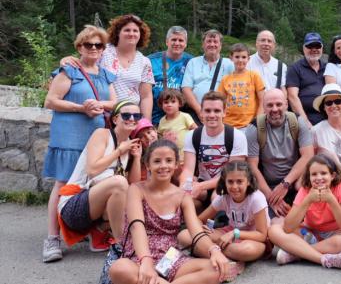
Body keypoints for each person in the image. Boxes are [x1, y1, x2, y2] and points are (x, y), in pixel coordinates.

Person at [42, 25, 117, 263]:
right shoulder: (68, 71)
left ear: (103, 49)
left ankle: (91, 233)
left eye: (98, 45)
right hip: (70, 135)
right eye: (89, 45)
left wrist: (98, 105)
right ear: (79, 47)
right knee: (63, 183)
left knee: (91, 185)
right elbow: (50, 101)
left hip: (94, 137)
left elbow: (113, 102)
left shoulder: (105, 74)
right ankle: (52, 239)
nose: (94, 49)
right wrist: (80, 108)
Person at [109, 139, 229, 284]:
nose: (163, 166)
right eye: (157, 161)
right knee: (119, 269)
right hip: (139, 256)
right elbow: (136, 226)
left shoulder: (183, 197)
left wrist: (214, 250)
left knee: (217, 269)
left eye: (169, 160)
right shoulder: (136, 189)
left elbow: (197, 232)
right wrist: (146, 261)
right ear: (148, 165)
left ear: (176, 164)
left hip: (169, 258)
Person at [57, 101, 142, 255]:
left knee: (130, 194)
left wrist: (136, 158)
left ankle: (100, 232)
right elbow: (92, 169)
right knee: (119, 182)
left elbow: (134, 185)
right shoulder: (102, 134)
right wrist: (118, 151)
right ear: (115, 119)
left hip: (95, 210)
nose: (132, 118)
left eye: (136, 115)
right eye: (126, 115)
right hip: (73, 206)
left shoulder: (129, 145)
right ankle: (121, 244)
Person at [267, 155, 341, 270]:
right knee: (274, 230)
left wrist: (331, 200)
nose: (319, 178)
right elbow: (288, 227)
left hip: (335, 235)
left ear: (332, 175)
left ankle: (297, 253)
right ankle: (324, 259)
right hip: (311, 234)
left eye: (323, 173)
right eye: (314, 174)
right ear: (309, 177)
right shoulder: (305, 189)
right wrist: (308, 200)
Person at [179, 161, 270, 263]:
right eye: (230, 182)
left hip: (252, 239)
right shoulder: (223, 198)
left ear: (248, 181)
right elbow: (200, 220)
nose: (234, 187)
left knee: (246, 250)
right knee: (184, 236)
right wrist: (202, 227)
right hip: (227, 235)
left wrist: (234, 234)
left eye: (239, 181)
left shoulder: (256, 198)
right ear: (224, 182)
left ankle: (210, 252)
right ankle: (223, 258)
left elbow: (262, 235)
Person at [245, 89, 314, 218]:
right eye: (270, 105)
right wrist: (271, 197)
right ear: (264, 107)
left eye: (279, 104)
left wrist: (285, 184)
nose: (275, 109)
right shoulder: (254, 128)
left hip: (295, 181)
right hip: (267, 186)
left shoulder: (298, 122)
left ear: (286, 104)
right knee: (271, 222)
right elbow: (252, 166)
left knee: (304, 217)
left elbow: (308, 156)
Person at [181, 91, 247, 207]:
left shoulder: (237, 136)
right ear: (201, 112)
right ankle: (192, 222)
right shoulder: (192, 135)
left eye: (216, 111)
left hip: (228, 183)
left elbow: (233, 174)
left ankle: (219, 223)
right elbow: (187, 170)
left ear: (224, 113)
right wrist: (185, 187)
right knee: (185, 198)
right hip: (203, 182)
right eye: (207, 111)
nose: (212, 115)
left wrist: (201, 186)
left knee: (217, 197)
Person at [100, 14, 155, 118]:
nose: (131, 34)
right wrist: (68, 60)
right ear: (118, 33)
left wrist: (146, 123)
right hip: (103, 113)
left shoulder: (144, 61)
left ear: (140, 34)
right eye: (127, 30)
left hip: (131, 117)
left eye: (135, 31)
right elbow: (85, 64)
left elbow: (146, 97)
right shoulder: (103, 51)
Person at [182, 29, 234, 125]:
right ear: (203, 44)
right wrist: (199, 111)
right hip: (197, 113)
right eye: (209, 41)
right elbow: (186, 89)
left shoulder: (230, 64)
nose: (212, 44)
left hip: (222, 114)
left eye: (215, 42)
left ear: (220, 45)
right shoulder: (193, 62)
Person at [148, 25, 193, 124]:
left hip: (181, 119)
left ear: (185, 43)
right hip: (155, 117)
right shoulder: (151, 61)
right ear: (167, 42)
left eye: (181, 40)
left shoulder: (192, 62)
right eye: (174, 39)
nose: (177, 43)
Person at [218, 43, 265, 129]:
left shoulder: (254, 76)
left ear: (248, 59)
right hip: (227, 124)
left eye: (243, 57)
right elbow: (219, 102)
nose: (240, 60)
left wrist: (258, 121)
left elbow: (263, 100)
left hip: (249, 124)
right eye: (237, 57)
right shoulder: (225, 79)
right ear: (231, 58)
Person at [286, 32, 327, 126]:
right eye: (310, 46)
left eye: (317, 46)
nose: (314, 49)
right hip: (307, 117)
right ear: (304, 48)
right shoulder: (295, 68)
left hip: (328, 116)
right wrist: (305, 122)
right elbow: (292, 97)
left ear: (322, 48)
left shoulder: (328, 68)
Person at [157, 88, 197, 160]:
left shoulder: (185, 116)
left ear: (180, 103)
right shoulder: (162, 121)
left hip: (186, 155)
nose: (169, 105)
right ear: (161, 105)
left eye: (173, 102)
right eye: (166, 102)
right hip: (169, 157)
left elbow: (196, 131)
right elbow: (160, 136)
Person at [247, 30, 287, 97]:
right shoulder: (246, 63)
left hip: (273, 106)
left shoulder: (281, 66)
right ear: (256, 43)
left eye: (269, 41)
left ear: (274, 45)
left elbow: (282, 89)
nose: (266, 44)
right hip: (252, 105)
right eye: (263, 40)